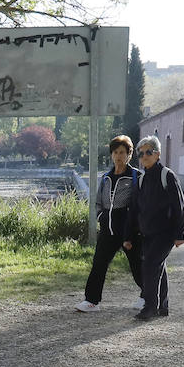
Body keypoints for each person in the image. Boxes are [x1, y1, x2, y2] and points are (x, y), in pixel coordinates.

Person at [76, 134, 144, 313]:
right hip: (108, 229)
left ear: (129, 154)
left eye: (122, 152)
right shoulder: (106, 177)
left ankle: (148, 295)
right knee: (98, 263)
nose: (119, 156)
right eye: (115, 152)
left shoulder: (137, 177)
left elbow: (141, 205)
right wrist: (101, 218)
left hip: (130, 230)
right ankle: (91, 301)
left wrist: (135, 227)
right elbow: (98, 202)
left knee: (137, 264)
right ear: (111, 155)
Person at [123, 134, 184, 320]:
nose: (144, 157)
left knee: (150, 266)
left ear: (157, 154)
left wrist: (180, 234)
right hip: (147, 234)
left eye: (148, 152)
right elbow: (134, 210)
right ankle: (162, 306)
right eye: (140, 154)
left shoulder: (167, 175)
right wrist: (128, 236)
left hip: (165, 233)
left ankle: (149, 307)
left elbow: (179, 206)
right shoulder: (141, 179)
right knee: (158, 266)